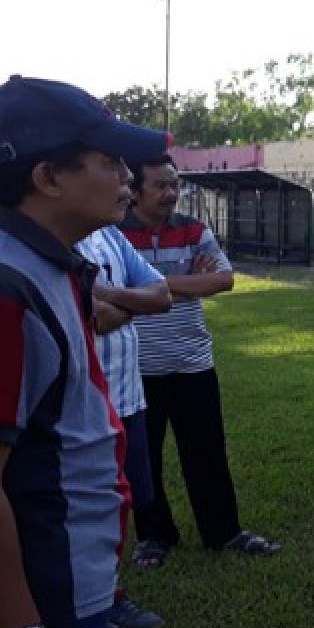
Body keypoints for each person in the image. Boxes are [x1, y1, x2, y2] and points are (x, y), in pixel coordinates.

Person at [0, 75, 169, 628]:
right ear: (47, 178)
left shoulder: (45, 261)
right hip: (33, 606)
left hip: (68, 582)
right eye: (109, 160)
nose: (129, 176)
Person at [119, 154, 281, 568]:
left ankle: (223, 532)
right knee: (144, 459)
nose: (172, 193)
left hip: (193, 363)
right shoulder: (115, 235)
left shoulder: (193, 229)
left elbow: (224, 279)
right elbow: (105, 288)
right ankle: (154, 536)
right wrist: (188, 281)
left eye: (175, 185)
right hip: (137, 371)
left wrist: (148, 284)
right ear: (135, 191)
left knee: (206, 451)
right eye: (161, 186)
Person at [77, 226, 172, 628]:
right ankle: (89, 602)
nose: (124, 182)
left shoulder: (111, 236)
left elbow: (163, 294)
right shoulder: (59, 237)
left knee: (123, 500)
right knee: (86, 508)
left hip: (129, 398)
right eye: (110, 166)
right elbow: (92, 318)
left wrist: (113, 296)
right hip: (86, 404)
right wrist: (135, 302)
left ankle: (106, 595)